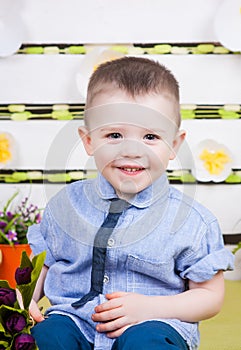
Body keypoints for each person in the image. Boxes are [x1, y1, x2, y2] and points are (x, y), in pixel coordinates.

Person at [28, 56, 234, 350]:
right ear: (88, 141)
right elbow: (42, 266)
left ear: (174, 144)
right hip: (77, 321)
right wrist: (27, 300)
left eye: (150, 136)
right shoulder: (65, 206)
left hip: (153, 323)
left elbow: (210, 297)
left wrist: (150, 309)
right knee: (48, 336)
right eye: (114, 135)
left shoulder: (192, 221)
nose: (132, 150)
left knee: (146, 342)